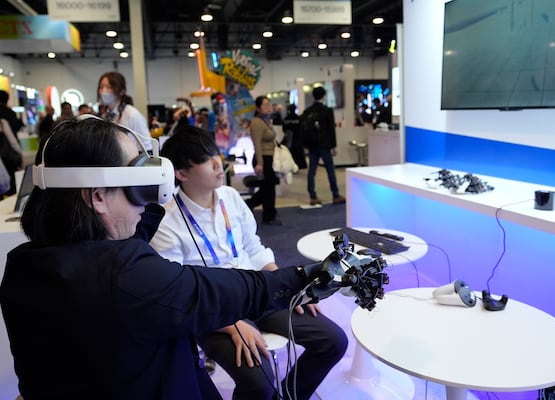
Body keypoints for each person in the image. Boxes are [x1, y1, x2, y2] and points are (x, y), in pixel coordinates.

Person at [0, 116, 346, 400]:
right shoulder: (123, 275)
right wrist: (306, 277)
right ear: (98, 197)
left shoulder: (23, 265)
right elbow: (219, 293)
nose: (148, 201)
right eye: (138, 184)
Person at [150, 126, 348, 400]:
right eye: (207, 160)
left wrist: (293, 288)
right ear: (181, 174)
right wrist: (230, 323)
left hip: (257, 290)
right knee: (260, 383)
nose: (219, 164)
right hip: (213, 308)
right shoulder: (167, 220)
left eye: (216, 154)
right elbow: (179, 295)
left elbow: (254, 248)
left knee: (333, 341)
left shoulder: (230, 197)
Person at [301, 86, 345, 206]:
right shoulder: (327, 110)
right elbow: (331, 129)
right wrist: (333, 146)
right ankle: (335, 195)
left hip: (312, 145)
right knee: (330, 170)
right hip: (325, 144)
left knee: (312, 171)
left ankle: (313, 196)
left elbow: (302, 127)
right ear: (323, 96)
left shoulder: (308, 111)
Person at [246, 96, 281, 225]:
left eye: (269, 104)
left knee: (268, 188)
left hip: (269, 158)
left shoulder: (266, 120)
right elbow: (257, 144)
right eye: (264, 105)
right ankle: (268, 215)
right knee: (268, 188)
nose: (268, 107)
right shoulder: (257, 122)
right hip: (262, 159)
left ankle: (249, 205)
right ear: (258, 108)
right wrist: (260, 163)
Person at [97, 71, 152, 149]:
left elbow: (147, 146)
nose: (103, 91)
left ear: (121, 91)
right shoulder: (104, 115)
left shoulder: (132, 115)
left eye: (108, 87)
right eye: (101, 87)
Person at [282, 104, 307, 169]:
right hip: (297, 138)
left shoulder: (286, 119)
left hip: (289, 139)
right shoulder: (298, 118)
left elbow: (284, 129)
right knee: (298, 153)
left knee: (290, 152)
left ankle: (291, 166)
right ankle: (300, 165)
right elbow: (301, 128)